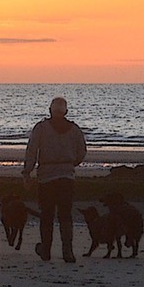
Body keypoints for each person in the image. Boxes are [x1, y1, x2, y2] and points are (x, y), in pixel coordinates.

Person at [22, 97, 87, 263]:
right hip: (67, 177)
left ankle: (46, 249)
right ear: (65, 111)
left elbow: (32, 151)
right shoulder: (74, 129)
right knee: (65, 215)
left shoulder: (41, 128)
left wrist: (27, 172)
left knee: (47, 215)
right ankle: (68, 251)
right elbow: (82, 152)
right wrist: (72, 163)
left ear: (50, 110)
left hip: (46, 178)